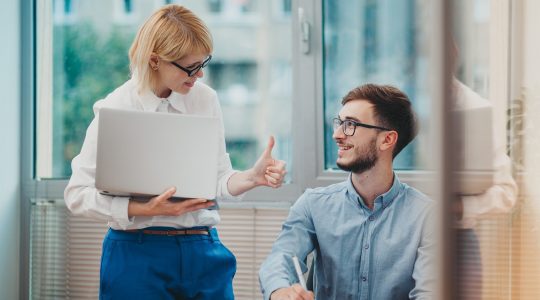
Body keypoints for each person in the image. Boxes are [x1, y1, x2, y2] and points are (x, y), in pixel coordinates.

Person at [64, 4, 286, 299]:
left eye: (203, 63)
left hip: (202, 249)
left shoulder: (205, 100)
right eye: (191, 67)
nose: (200, 75)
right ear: (155, 60)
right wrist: (142, 209)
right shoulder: (115, 107)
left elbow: (216, 180)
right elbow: (77, 194)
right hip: (136, 252)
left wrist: (251, 177)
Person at [259, 84, 435, 300]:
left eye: (350, 125)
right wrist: (280, 291)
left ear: (387, 140)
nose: (337, 135)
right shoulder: (313, 204)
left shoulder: (428, 216)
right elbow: (280, 257)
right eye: (339, 123)